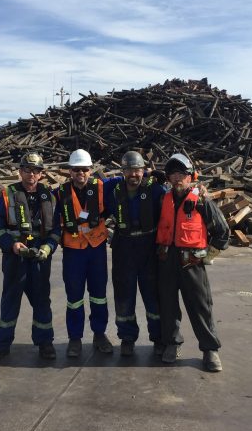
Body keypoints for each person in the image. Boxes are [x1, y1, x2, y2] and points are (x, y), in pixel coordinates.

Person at [156, 153, 230, 371]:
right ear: (168, 178)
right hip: (167, 261)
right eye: (173, 174)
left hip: (192, 264)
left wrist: (207, 256)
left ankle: (210, 350)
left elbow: (222, 232)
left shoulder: (201, 201)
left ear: (190, 177)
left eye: (182, 174)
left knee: (200, 306)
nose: (177, 178)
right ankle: (172, 343)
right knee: (168, 306)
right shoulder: (163, 199)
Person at [0, 153, 61, 362]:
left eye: (36, 171)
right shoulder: (8, 194)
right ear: (20, 171)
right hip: (16, 256)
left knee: (41, 300)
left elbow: (56, 228)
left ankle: (45, 342)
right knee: (10, 299)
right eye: (27, 170)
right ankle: (1, 345)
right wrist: (12, 245)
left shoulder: (50, 196)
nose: (31, 174)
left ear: (41, 174)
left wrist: (48, 247)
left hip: (39, 256)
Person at [53, 149, 121, 357]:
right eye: (76, 170)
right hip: (73, 252)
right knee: (74, 297)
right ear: (70, 172)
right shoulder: (59, 193)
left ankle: (99, 334)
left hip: (96, 249)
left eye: (84, 169)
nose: (80, 173)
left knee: (99, 295)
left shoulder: (102, 187)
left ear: (90, 170)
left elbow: (125, 177)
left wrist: (148, 175)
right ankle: (75, 338)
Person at [107, 151, 166, 356]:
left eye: (137, 170)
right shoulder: (112, 189)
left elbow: (172, 201)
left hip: (148, 246)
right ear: (123, 171)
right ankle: (127, 337)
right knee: (124, 295)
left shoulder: (157, 189)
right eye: (129, 170)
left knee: (153, 296)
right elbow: (91, 185)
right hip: (123, 246)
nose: (133, 174)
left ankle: (158, 338)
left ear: (144, 171)